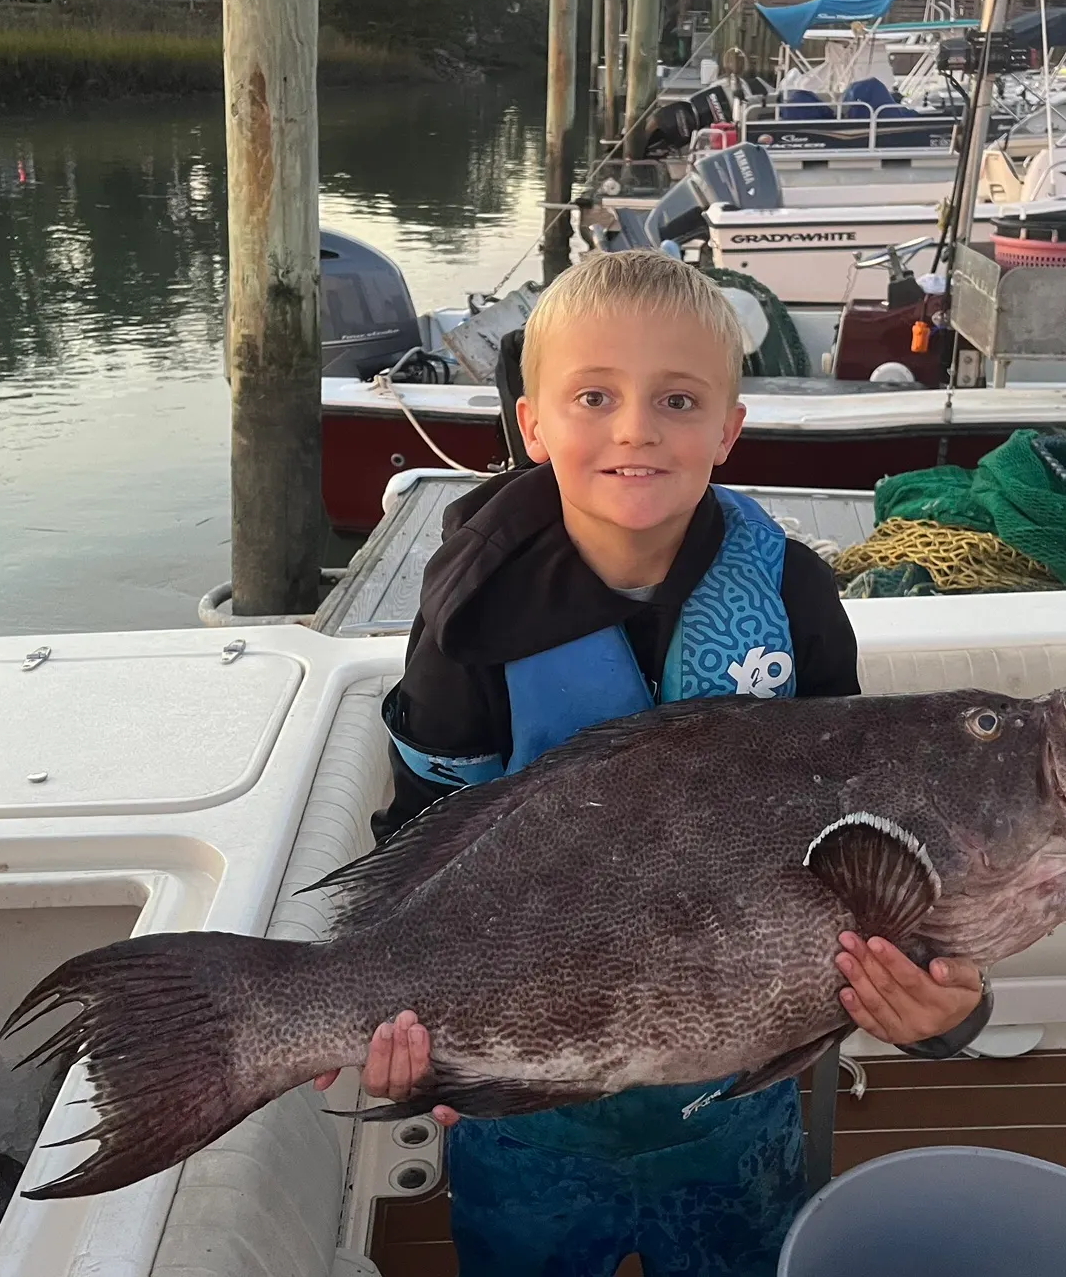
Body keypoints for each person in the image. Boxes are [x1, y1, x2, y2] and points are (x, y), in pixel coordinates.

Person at [315, 251, 993, 1277]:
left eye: (677, 399)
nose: (636, 428)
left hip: (748, 1100)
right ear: (532, 422)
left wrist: (948, 1008)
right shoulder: (469, 622)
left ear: (728, 428)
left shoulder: (794, 595)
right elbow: (422, 833)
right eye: (595, 396)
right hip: (529, 1113)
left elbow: (875, 841)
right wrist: (408, 1030)